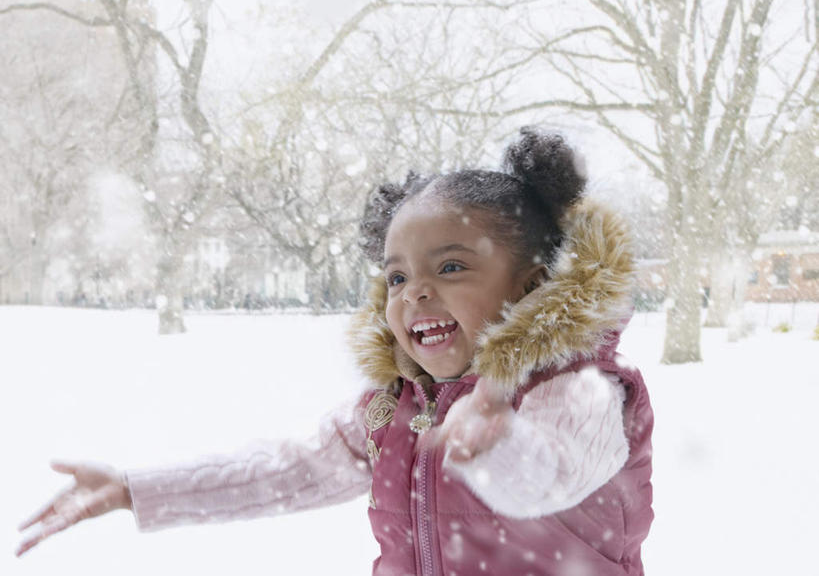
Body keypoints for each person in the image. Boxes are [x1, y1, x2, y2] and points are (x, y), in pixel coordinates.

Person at [16, 128, 653, 575]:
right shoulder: (393, 411)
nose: (415, 293)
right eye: (397, 277)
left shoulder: (582, 390)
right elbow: (288, 471)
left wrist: (502, 443)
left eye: (451, 266)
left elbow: (553, 475)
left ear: (532, 287)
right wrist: (138, 489)